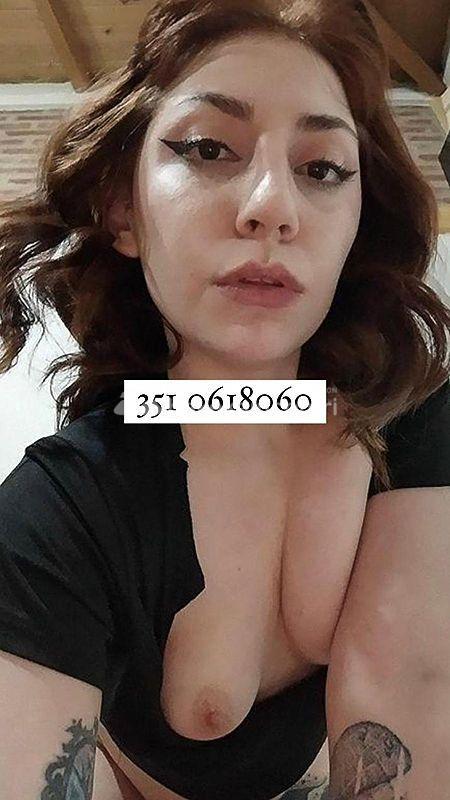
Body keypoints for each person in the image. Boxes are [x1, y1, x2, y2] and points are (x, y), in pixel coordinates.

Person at [0, 1, 449, 799]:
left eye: (322, 169)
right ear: (123, 210)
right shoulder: (65, 504)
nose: (273, 206)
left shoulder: (409, 417)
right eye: (209, 149)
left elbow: (411, 689)